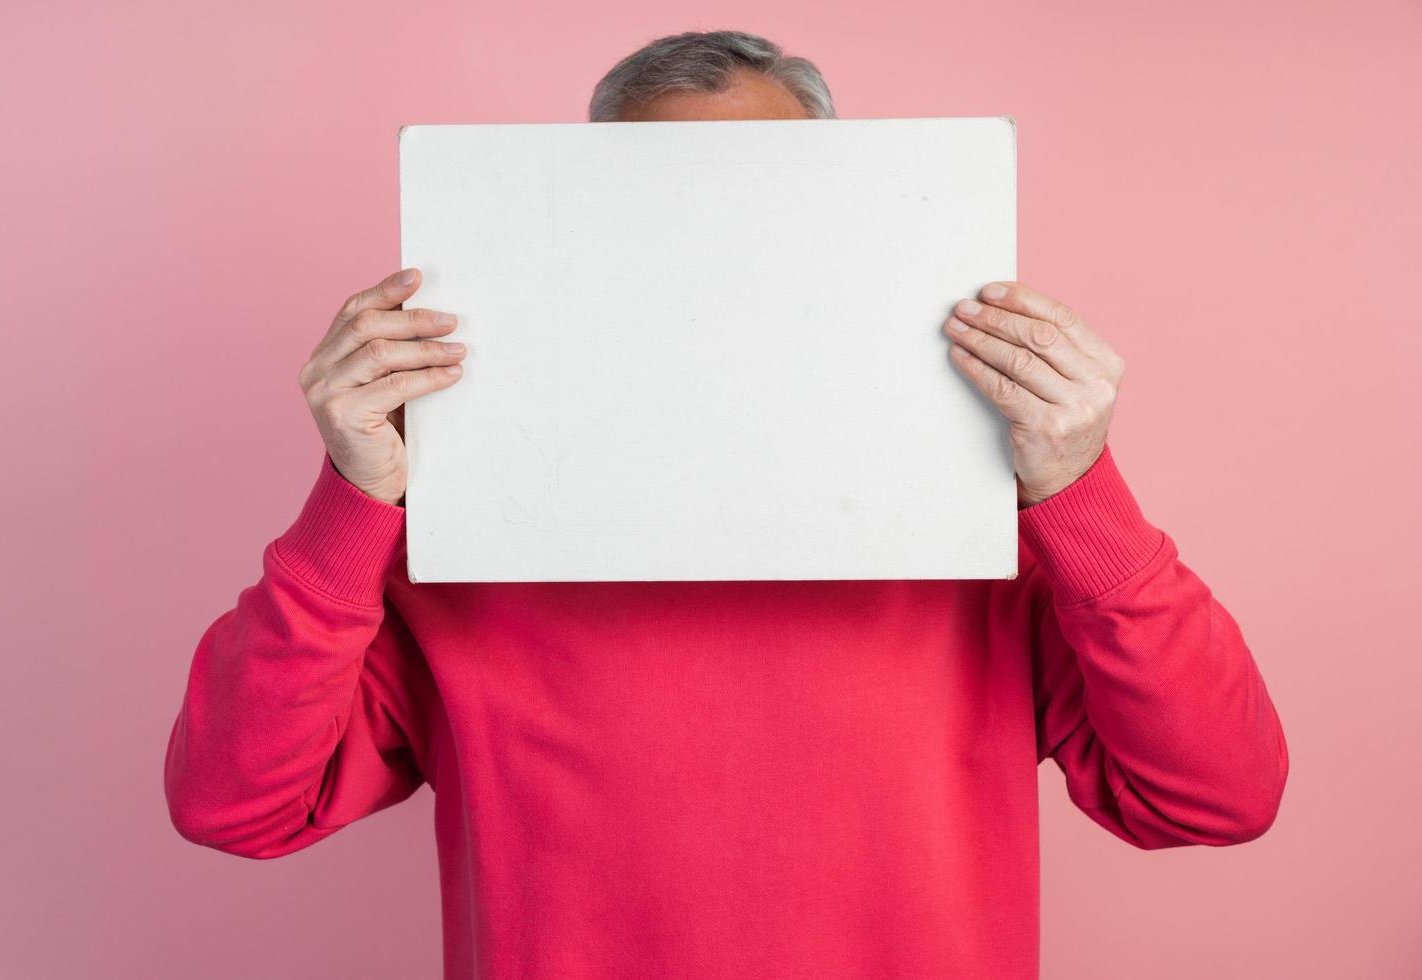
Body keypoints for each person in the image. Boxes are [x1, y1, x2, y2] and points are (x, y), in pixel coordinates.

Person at [163, 29, 1288, 980]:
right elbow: (237, 806)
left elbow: (1215, 795)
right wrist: (356, 496)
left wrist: (1079, 487)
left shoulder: (978, 541)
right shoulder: (454, 549)